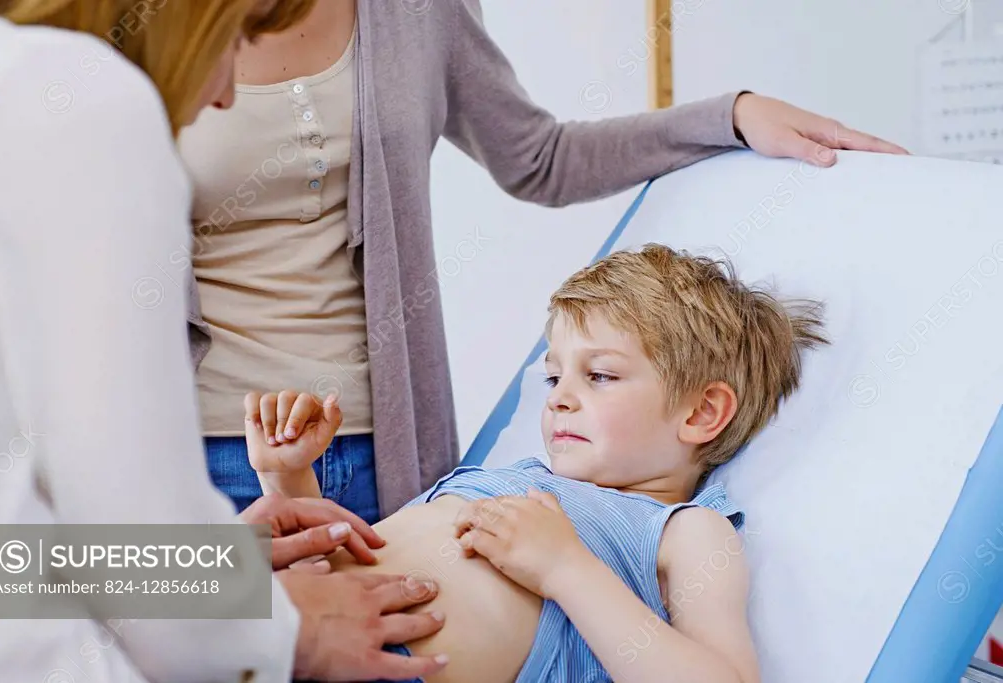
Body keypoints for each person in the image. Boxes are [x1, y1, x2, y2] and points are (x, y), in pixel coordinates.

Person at [177, 0, 906, 522]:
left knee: (396, 654)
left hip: (382, 447)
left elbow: (540, 157)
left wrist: (731, 117)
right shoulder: (125, 26)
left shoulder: (415, 14)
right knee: (210, 652)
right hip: (193, 452)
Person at [0, 1, 447, 681]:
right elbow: (131, 554)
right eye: (237, 36)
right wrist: (287, 626)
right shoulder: (88, 103)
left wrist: (211, 561)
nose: (229, 90)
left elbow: (16, 553)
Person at [245, 243, 830, 682]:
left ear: (703, 413)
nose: (558, 397)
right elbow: (349, 562)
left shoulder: (684, 530)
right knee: (174, 579)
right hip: (255, 608)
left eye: (599, 375)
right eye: (554, 375)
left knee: (169, 588)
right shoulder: (510, 479)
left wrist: (565, 569)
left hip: (350, 657)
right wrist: (288, 481)